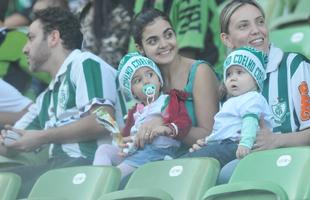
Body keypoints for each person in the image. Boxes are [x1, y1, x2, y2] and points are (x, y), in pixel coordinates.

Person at [0, 7, 123, 198]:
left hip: (89, 166)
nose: (25, 48)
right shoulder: (45, 99)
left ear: (53, 37)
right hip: (57, 168)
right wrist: (8, 140)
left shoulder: (84, 63)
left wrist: (42, 137)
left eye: (31, 38)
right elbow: (12, 143)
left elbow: (103, 120)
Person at [218, 0, 310, 184]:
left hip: (295, 168)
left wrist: (276, 140)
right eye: (244, 26)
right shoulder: (230, 83)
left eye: (260, 22)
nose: (256, 30)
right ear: (227, 39)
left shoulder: (295, 67)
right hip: (252, 167)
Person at [93, 52, 192, 178]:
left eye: (150, 74)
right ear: (133, 93)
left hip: (157, 152)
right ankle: (98, 183)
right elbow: (126, 138)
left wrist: (167, 128)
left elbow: (184, 121)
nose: (146, 81)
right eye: (138, 80)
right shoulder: (135, 112)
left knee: (115, 176)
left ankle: (102, 186)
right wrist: (122, 142)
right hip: (135, 153)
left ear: (159, 80)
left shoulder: (168, 100)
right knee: (104, 150)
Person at [131, 8, 219, 147]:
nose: (164, 44)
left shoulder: (200, 72)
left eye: (168, 35)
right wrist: (133, 140)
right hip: (159, 160)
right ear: (140, 48)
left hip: (198, 161)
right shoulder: (146, 82)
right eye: (153, 41)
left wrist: (164, 123)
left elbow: (211, 135)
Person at [183, 46, 274, 167]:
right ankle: (176, 163)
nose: (233, 78)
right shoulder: (232, 102)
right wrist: (208, 141)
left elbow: (250, 121)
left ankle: (175, 164)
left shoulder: (252, 98)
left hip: (239, 146)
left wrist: (245, 144)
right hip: (226, 145)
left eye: (240, 72)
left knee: (198, 160)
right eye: (229, 74)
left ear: (255, 77)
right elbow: (223, 129)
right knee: (199, 155)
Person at [128, 0, 226, 75]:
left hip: (209, 74)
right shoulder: (141, 2)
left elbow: (185, 57)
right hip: (160, 75)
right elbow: (135, 54)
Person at [79, 0, 134, 68]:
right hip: (90, 67)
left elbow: (112, 56)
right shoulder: (86, 11)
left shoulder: (119, 15)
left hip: (112, 70)